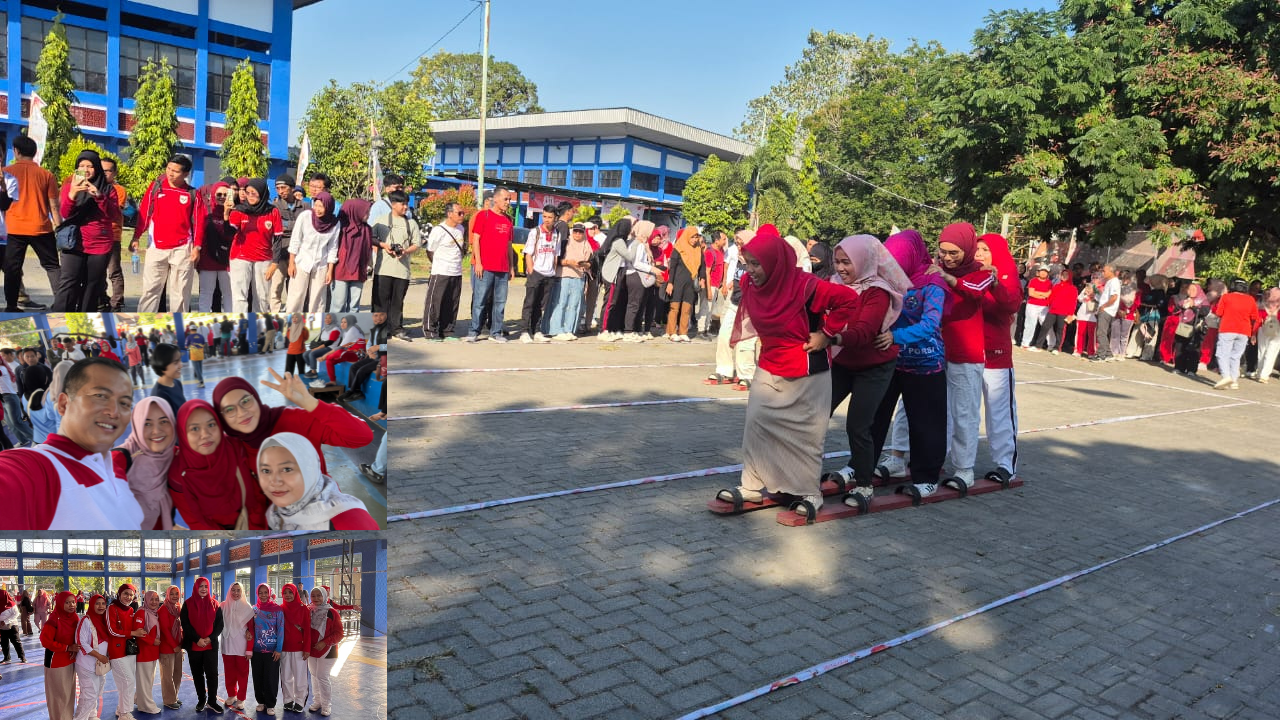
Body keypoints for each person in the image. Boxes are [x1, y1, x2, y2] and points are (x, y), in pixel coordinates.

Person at [714, 226, 860, 517]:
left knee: (806, 434)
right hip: (770, 365)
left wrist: (827, 334)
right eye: (748, 262)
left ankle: (808, 491)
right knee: (757, 425)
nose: (751, 270)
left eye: (758, 264)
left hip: (807, 370)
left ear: (776, 263)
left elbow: (849, 301)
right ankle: (751, 486)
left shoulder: (807, 286)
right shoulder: (751, 284)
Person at [0, 357, 142, 530]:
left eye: (124, 403)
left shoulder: (115, 469)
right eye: (100, 396)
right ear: (63, 404)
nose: (114, 412)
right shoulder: (40, 471)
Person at [872, 230, 954, 507]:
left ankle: (926, 477)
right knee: (874, 417)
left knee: (925, 423)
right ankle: (861, 469)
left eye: (898, 260)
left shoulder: (932, 283)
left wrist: (897, 336)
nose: (893, 267)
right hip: (891, 361)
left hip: (925, 365)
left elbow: (931, 324)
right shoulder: (889, 281)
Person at [824, 235, 908, 503]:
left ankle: (864, 485)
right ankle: (800, 475)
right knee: (814, 414)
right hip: (843, 361)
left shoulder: (877, 290)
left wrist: (831, 337)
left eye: (846, 262)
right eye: (837, 262)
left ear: (863, 260)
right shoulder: (834, 284)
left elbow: (864, 331)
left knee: (858, 425)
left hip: (874, 365)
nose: (840, 268)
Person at [934, 222, 996, 488]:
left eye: (954, 253)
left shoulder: (982, 273)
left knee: (964, 413)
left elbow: (975, 291)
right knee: (920, 409)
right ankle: (908, 458)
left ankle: (964, 469)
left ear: (968, 250)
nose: (947, 258)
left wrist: (947, 278)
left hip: (966, 354)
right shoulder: (935, 267)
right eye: (943, 252)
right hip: (934, 350)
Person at [218, 370, 374, 473]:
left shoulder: (294, 420)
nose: (241, 412)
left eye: (245, 401)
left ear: (256, 398)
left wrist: (312, 404)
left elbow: (361, 437)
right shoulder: (230, 448)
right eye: (229, 410)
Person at [169, 399, 269, 530]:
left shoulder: (236, 448)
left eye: (211, 425)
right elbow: (195, 521)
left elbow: (257, 500)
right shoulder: (177, 474)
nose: (205, 435)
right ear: (182, 433)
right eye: (194, 429)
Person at [258, 432, 379, 530]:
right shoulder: (273, 513)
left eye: (287, 469)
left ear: (309, 470)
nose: (274, 481)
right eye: (266, 471)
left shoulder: (352, 521)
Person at [977, 234, 1023, 484]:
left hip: (997, 357)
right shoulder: (969, 273)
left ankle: (1006, 465)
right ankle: (944, 459)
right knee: (959, 411)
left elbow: (1011, 305)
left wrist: (994, 283)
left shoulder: (1007, 275)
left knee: (999, 412)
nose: (980, 254)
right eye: (977, 249)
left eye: (985, 249)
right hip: (968, 355)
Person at [135, 154, 205, 312]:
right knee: (151, 290)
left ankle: (177, 329)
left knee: (180, 293)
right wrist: (137, 235)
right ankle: (144, 325)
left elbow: (199, 222)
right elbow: (145, 212)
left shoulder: (192, 194)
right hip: (156, 247)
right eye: (169, 169)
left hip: (183, 249)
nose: (170, 173)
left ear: (186, 174)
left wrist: (197, 247)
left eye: (176, 171)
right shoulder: (156, 187)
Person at [54, 149, 121, 312]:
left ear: (97, 168)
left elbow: (114, 215)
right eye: (81, 165)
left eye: (90, 166)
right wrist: (73, 194)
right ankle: (60, 319)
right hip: (74, 242)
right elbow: (65, 213)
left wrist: (99, 195)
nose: (86, 169)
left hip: (100, 245)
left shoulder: (108, 189)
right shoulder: (69, 186)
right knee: (69, 282)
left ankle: (84, 320)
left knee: (92, 285)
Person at [3, 135, 61, 312]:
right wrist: (59, 226)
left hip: (14, 229)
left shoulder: (6, 172)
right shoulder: (47, 175)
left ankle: (12, 306)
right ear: (35, 153)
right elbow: (53, 205)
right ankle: (60, 303)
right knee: (52, 266)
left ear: (16, 151)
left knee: (12, 268)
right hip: (41, 228)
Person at [706, 229, 758, 391]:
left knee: (746, 341)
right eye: (737, 242)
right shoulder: (740, 257)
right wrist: (729, 284)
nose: (738, 245)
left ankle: (747, 375)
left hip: (751, 305)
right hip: (735, 302)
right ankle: (725, 371)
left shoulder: (757, 259)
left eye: (741, 242)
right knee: (724, 335)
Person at [119, 397, 177, 530]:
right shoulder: (120, 459)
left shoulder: (175, 456)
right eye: (147, 423)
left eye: (164, 421)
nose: (156, 431)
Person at [467, 188, 515, 342]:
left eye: (509, 199)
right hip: (485, 267)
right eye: (506, 199)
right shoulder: (483, 215)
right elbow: (476, 240)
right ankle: (474, 331)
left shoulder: (508, 220)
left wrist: (511, 267)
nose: (508, 202)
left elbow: (509, 245)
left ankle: (496, 332)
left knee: (500, 302)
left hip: (502, 268)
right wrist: (478, 263)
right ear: (496, 199)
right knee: (480, 300)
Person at [227, 178, 283, 311]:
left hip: (264, 259)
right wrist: (226, 214)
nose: (250, 196)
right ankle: (240, 326)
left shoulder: (273, 211)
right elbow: (229, 232)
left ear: (263, 193)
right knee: (239, 296)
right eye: (248, 192)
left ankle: (258, 327)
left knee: (262, 296)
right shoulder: (239, 210)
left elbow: (278, 239)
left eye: (254, 193)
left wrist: (275, 263)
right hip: (240, 257)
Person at [371, 190, 419, 339]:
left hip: (402, 270)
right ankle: (379, 329)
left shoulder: (411, 223)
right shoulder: (380, 220)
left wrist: (405, 251)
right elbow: (371, 238)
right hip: (383, 269)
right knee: (380, 301)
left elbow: (417, 243)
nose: (406, 207)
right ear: (393, 204)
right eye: (402, 204)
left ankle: (396, 328)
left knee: (397, 301)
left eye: (407, 204)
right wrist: (384, 245)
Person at [287, 191, 340, 312]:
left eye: (321, 206)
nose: (317, 209)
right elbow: (295, 240)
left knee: (318, 299)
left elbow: (333, 247)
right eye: (316, 205)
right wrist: (291, 263)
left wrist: (329, 270)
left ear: (329, 207)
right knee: (296, 296)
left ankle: (314, 327)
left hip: (321, 264)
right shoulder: (305, 216)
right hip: (301, 262)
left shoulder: (335, 224)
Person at [423, 201, 467, 340]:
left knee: (452, 302)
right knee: (435, 302)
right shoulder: (438, 230)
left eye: (462, 213)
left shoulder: (461, 228)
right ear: (449, 214)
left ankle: (447, 330)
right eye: (459, 213)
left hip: (456, 271)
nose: (462, 215)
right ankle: (431, 331)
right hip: (441, 271)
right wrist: (437, 264)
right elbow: (430, 250)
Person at [181, 577, 225, 713]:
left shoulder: (215, 604)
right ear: (196, 587)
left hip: (210, 646)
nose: (204, 589)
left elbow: (219, 625)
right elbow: (185, 624)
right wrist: (197, 639)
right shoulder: (187, 604)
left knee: (212, 674)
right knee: (197, 674)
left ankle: (212, 701)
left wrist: (209, 639)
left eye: (206, 586)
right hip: (194, 646)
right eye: (201, 586)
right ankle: (201, 699)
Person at [546, 223, 593, 340]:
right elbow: (557, 260)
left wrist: (586, 264)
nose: (578, 234)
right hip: (564, 275)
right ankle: (556, 329)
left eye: (580, 232)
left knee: (574, 305)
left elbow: (591, 262)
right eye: (575, 231)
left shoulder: (586, 245)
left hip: (579, 277)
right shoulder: (565, 243)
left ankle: (569, 329)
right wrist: (568, 262)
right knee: (561, 303)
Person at [106, 583, 145, 720]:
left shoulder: (130, 610)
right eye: (125, 594)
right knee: (127, 680)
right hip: (116, 651)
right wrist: (133, 632)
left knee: (126, 682)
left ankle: (120, 709)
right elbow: (111, 630)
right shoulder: (112, 608)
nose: (128, 597)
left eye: (131, 594)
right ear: (119, 594)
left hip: (129, 650)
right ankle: (124, 713)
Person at [1212, 278, 1261, 389]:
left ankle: (1226, 377)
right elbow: (1255, 317)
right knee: (1236, 356)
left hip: (1227, 329)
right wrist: (1253, 333)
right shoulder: (1250, 299)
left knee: (1222, 354)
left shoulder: (1226, 297)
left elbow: (1219, 313)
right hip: (1244, 331)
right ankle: (1234, 381)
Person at [40, 591, 79, 720]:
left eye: (73, 602)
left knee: (68, 693)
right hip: (55, 662)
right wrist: (67, 647)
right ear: (60, 603)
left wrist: (74, 647)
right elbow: (45, 641)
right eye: (67, 602)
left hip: (70, 660)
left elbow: (78, 636)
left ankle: (68, 717)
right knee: (58, 695)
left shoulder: (74, 617)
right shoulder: (54, 619)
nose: (71, 605)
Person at [330, 198, 374, 313]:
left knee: (354, 305)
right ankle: (333, 329)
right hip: (340, 270)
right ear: (356, 211)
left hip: (358, 270)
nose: (368, 215)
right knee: (338, 304)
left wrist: (368, 266)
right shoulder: (340, 227)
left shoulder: (367, 229)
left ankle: (351, 329)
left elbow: (368, 250)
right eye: (366, 212)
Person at [198, 181, 236, 312]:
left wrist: (227, 213)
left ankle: (230, 325)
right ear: (213, 194)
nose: (222, 197)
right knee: (206, 294)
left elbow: (233, 236)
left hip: (227, 262)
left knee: (229, 295)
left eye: (225, 194)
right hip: (207, 261)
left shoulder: (234, 213)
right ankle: (204, 324)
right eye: (218, 194)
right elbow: (200, 234)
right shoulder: (206, 211)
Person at [664, 227, 707, 342]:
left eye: (696, 237)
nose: (694, 239)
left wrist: (702, 278)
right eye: (692, 237)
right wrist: (670, 283)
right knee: (675, 307)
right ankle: (672, 332)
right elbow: (672, 267)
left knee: (687, 308)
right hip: (677, 282)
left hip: (691, 282)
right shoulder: (678, 247)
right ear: (687, 236)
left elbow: (702, 266)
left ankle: (683, 332)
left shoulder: (698, 249)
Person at [306, 586, 344, 716]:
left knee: (322, 676)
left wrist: (325, 642)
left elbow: (339, 634)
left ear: (324, 596)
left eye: (319, 595)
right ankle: (317, 702)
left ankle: (327, 705)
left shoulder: (332, 613)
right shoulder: (309, 611)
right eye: (313, 596)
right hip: (312, 650)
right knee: (314, 676)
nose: (316, 598)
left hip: (328, 650)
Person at [72, 594, 110, 720]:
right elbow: (81, 642)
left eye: (103, 604)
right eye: (97, 603)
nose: (101, 606)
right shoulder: (86, 620)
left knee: (96, 691)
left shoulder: (105, 620)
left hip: (100, 664)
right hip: (86, 664)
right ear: (91, 604)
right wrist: (99, 656)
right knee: (89, 694)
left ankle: (92, 715)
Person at [251, 583, 285, 715]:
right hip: (257, 650)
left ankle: (270, 703)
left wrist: (279, 649)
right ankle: (260, 701)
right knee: (257, 677)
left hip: (272, 651)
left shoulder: (277, 609)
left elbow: (281, 629)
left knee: (271, 678)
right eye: (261, 593)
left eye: (266, 592)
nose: (263, 595)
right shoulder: (254, 609)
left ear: (270, 593)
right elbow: (250, 627)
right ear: (257, 594)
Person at [220, 582, 254, 711]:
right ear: (229, 591)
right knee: (229, 673)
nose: (235, 593)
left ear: (242, 591)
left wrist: (249, 649)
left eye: (238, 590)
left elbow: (251, 630)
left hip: (242, 646)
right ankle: (231, 695)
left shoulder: (247, 607)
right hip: (227, 645)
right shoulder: (223, 606)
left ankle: (241, 698)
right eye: (233, 590)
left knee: (242, 673)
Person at [339, 312, 386, 403]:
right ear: (372, 317)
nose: (378, 318)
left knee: (362, 370)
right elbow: (369, 344)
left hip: (383, 358)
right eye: (376, 315)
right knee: (353, 367)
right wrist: (369, 351)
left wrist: (379, 347)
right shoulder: (374, 330)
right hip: (373, 356)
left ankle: (354, 391)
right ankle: (355, 391)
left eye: (381, 315)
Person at [279, 583, 311, 713]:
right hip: (284, 649)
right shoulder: (280, 609)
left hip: (299, 649)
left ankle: (299, 701)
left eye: (290, 592)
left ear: (295, 593)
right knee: (286, 677)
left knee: (300, 677)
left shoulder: (303, 609)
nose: (287, 595)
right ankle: (288, 700)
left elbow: (307, 630)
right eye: (285, 593)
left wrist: (307, 649)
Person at [132, 590, 164, 716]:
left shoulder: (154, 613)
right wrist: (152, 641)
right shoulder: (141, 612)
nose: (154, 602)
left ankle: (138, 699)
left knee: (148, 680)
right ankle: (146, 705)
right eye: (152, 599)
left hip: (153, 652)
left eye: (157, 599)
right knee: (145, 680)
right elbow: (138, 632)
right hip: (144, 652)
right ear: (146, 599)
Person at [313, 316, 367, 388]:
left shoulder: (353, 330)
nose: (342, 324)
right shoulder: (346, 332)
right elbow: (344, 347)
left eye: (345, 322)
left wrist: (324, 356)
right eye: (342, 322)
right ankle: (333, 381)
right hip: (350, 353)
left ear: (350, 322)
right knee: (329, 361)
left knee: (339, 352)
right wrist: (327, 357)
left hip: (359, 354)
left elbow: (339, 348)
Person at [1032, 268, 1077, 353]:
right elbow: (1051, 297)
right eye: (1063, 275)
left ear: (1070, 276)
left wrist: (1071, 313)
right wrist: (1048, 304)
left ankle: (1057, 347)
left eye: (1066, 275)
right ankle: (1038, 346)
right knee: (1045, 326)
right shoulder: (1056, 286)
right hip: (1053, 310)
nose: (1064, 276)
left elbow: (1073, 302)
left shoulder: (1073, 288)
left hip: (1064, 312)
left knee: (1060, 330)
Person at [1172, 282, 1210, 375]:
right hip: (1184, 325)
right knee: (1180, 347)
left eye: (1193, 290)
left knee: (1193, 349)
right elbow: (1175, 309)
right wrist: (1181, 305)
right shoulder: (1185, 300)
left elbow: (1204, 312)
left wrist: (1193, 305)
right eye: (1189, 289)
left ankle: (1191, 370)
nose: (1191, 291)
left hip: (1195, 327)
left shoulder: (1203, 301)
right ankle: (1179, 367)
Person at [158, 585, 185, 710]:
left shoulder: (178, 607)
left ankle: (175, 696)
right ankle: (169, 700)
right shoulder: (163, 609)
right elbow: (165, 630)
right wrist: (174, 646)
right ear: (167, 595)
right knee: (167, 676)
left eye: (177, 594)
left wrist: (181, 645)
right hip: (167, 647)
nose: (175, 596)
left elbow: (181, 627)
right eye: (172, 594)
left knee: (177, 674)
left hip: (178, 647)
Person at [0, 348, 32, 447]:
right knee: (10, 423)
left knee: (16, 421)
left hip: (10, 397)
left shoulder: (2, 368)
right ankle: (23, 440)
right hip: (3, 399)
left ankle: (34, 438)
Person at [148, 342, 186, 417]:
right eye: (175, 363)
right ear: (162, 365)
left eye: (180, 360)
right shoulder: (159, 395)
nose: (181, 365)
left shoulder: (177, 383)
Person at [1093, 264, 1121, 361]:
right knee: (1102, 332)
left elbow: (1114, 297)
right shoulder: (1110, 282)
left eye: (1104, 271)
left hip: (1107, 310)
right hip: (1105, 309)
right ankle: (1108, 354)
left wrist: (1104, 307)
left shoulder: (1114, 282)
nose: (1103, 273)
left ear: (1111, 271)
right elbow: (1105, 297)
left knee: (1101, 333)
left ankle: (1101, 354)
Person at [1021, 265, 1053, 348]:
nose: (1043, 273)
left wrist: (1038, 293)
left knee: (1046, 324)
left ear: (1047, 273)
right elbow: (1031, 293)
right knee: (1030, 324)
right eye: (1042, 271)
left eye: (1045, 271)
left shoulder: (1049, 283)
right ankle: (1025, 343)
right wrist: (1042, 295)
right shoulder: (1033, 281)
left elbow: (1048, 294)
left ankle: (1051, 344)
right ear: (1038, 272)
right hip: (1032, 305)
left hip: (1044, 306)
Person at [1253, 288, 1280, 383]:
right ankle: (1264, 375)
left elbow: (1257, 319)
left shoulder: (1262, 305)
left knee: (1261, 351)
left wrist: (1253, 333)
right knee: (1272, 352)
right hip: (1277, 331)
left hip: (1262, 329)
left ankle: (1259, 372)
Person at [0, 587, 23, 661]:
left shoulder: (12, 604)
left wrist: (6, 621)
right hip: (2, 627)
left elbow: (16, 614)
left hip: (12, 625)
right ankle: (6, 657)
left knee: (16, 641)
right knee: (4, 643)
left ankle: (22, 657)